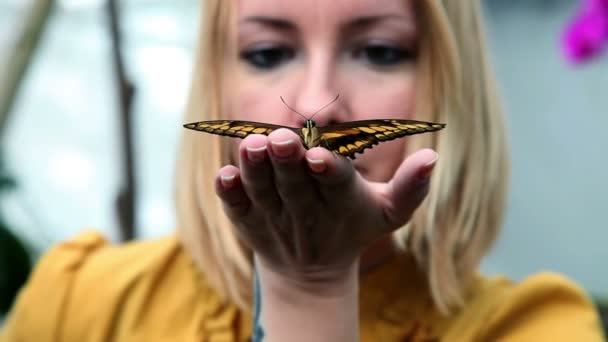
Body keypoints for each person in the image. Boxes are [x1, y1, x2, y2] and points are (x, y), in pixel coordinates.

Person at [1, 0, 604, 341]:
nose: (323, 99)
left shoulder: (535, 328)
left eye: (378, 52)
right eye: (268, 53)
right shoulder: (81, 302)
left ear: (450, 84)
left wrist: (310, 284)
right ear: (216, 84)